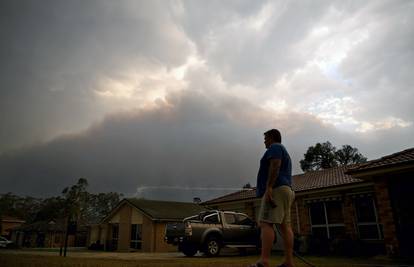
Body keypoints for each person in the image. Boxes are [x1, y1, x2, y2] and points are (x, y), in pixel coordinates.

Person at [250, 129, 295, 267]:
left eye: (266, 138)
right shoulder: (283, 149)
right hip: (286, 190)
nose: (264, 141)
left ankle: (264, 261)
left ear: (272, 138)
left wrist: (269, 187)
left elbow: (276, 164)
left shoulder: (275, 147)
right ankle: (288, 262)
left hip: (276, 189)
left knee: (265, 223)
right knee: (285, 225)